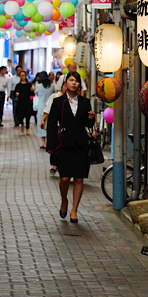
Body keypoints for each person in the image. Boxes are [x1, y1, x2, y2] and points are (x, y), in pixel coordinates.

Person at [47, 71, 95, 223]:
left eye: (76, 81)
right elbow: (52, 124)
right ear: (65, 83)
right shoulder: (58, 102)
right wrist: (51, 145)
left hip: (81, 144)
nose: (74, 83)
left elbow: (87, 125)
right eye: (71, 80)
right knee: (65, 178)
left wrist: (92, 119)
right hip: (64, 143)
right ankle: (64, 201)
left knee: (79, 178)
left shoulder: (85, 102)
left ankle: (74, 210)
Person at [41, 77, 67, 174]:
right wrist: (43, 120)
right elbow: (47, 109)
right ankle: (55, 165)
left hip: (67, 129)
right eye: (64, 85)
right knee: (56, 147)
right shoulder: (55, 97)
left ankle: (62, 166)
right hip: (56, 127)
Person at [33, 71, 55, 149]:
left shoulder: (38, 86)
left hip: (41, 106)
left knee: (41, 124)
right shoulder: (52, 86)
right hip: (50, 106)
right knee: (50, 124)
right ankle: (50, 142)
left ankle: (44, 143)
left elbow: (37, 94)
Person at [14, 70, 33, 134]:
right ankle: (22, 124)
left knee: (28, 116)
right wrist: (16, 94)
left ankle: (27, 128)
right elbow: (15, 93)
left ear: (25, 76)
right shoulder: (18, 85)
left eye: (23, 75)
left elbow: (32, 94)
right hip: (20, 102)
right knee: (20, 115)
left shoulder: (28, 85)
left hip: (27, 102)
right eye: (21, 75)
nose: (22, 77)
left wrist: (32, 90)